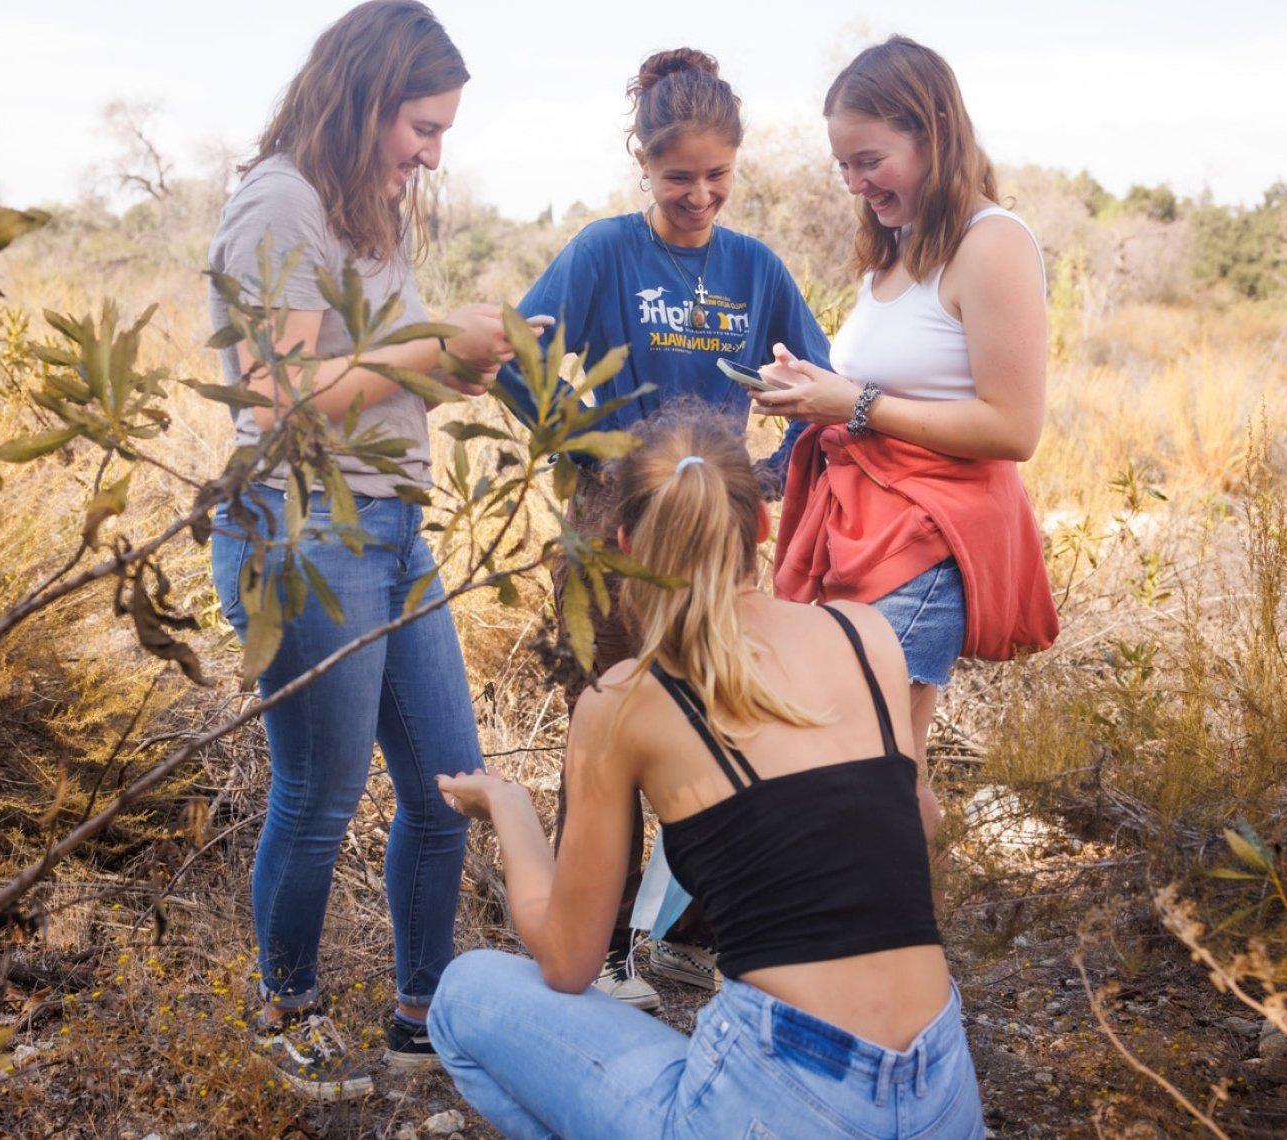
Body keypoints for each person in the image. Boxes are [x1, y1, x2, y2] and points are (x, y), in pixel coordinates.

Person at [427, 412, 985, 1139]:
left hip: (787, 1096)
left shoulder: (625, 700)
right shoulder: (864, 634)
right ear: (758, 528)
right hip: (942, 1082)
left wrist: (507, 806)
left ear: (624, 547)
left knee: (464, 993)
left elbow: (567, 962)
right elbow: (920, 821)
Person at [206, 1, 537, 1100]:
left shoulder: (369, 206)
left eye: (442, 132)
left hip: (392, 526)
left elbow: (373, 370)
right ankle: (283, 1015)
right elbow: (282, 401)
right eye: (421, 128)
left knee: (449, 784)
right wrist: (428, 344)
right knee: (320, 793)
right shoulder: (278, 208)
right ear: (361, 98)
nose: (432, 154)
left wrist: (451, 364)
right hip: (305, 532)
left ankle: (418, 1013)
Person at [495, 47, 833, 1010]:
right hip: (612, 542)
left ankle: (696, 940)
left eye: (718, 176)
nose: (700, 196)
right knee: (606, 739)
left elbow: (817, 384)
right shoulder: (604, 253)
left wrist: (768, 472)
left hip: (719, 547)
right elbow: (521, 351)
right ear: (642, 163)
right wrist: (574, 442)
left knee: (729, 727)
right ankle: (597, 953)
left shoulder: (754, 267)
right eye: (679, 177)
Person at [756, 36, 1059, 786]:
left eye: (871, 161)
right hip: (861, 529)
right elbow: (892, 389)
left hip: (926, 540)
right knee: (864, 761)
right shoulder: (896, 247)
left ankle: (904, 905)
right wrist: (812, 388)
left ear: (933, 134)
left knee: (873, 765)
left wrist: (851, 402)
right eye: (844, 166)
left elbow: (1013, 428)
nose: (856, 183)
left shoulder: (993, 245)